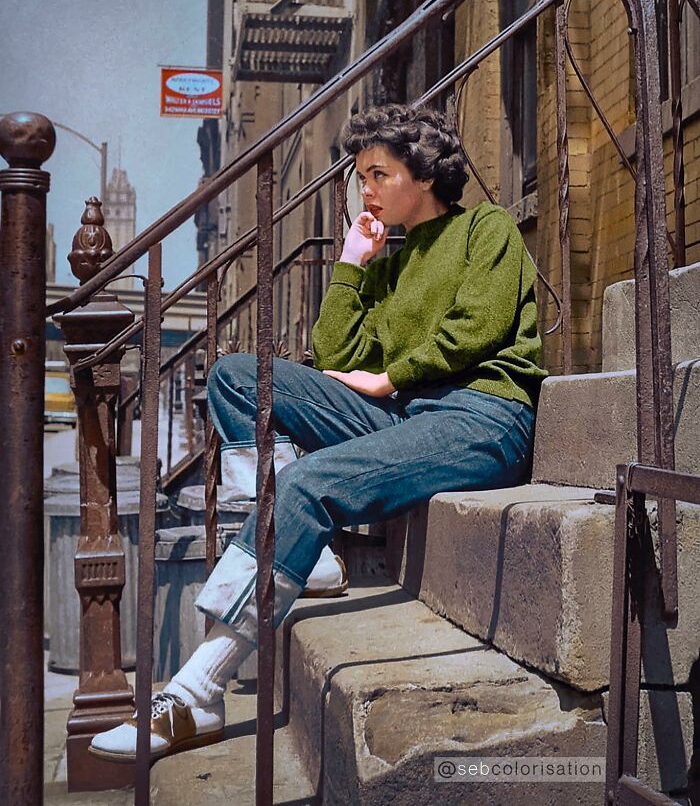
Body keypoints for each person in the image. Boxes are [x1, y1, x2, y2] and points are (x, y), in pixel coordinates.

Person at [89, 103, 547, 762]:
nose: (365, 188)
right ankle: (314, 555)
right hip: (409, 413)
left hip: (482, 417)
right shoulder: (391, 261)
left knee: (304, 483)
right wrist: (353, 263)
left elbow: (475, 328)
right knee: (238, 378)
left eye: (377, 173)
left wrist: (390, 377)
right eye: (360, 175)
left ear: (422, 173)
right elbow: (334, 353)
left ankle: (198, 691)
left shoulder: (488, 228)